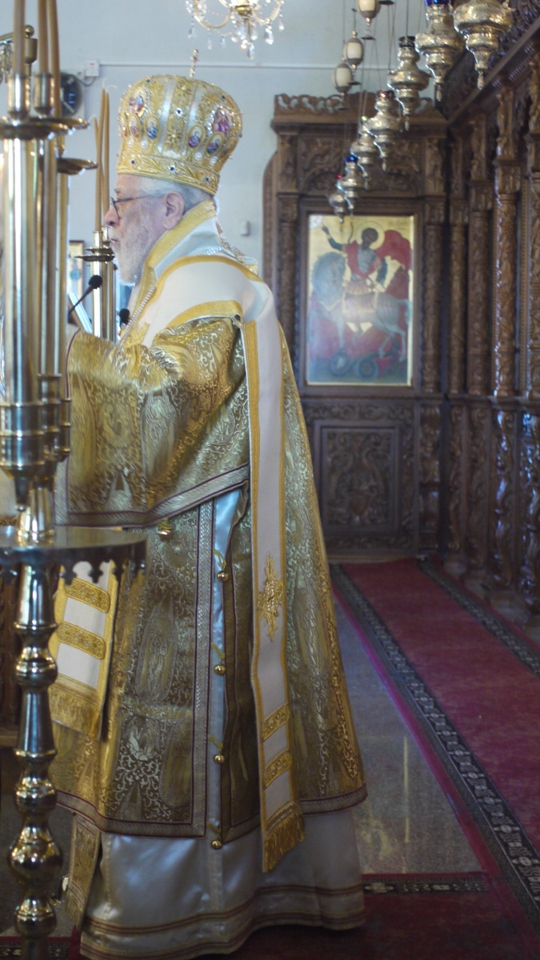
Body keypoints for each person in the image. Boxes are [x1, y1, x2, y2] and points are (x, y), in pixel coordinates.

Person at [50, 74, 366, 960]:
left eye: (122, 202)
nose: (111, 218)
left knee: (182, 724)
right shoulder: (185, 281)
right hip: (187, 547)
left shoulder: (206, 288)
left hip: (196, 567)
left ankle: (185, 904)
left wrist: (61, 351)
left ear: (170, 205)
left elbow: (157, 409)